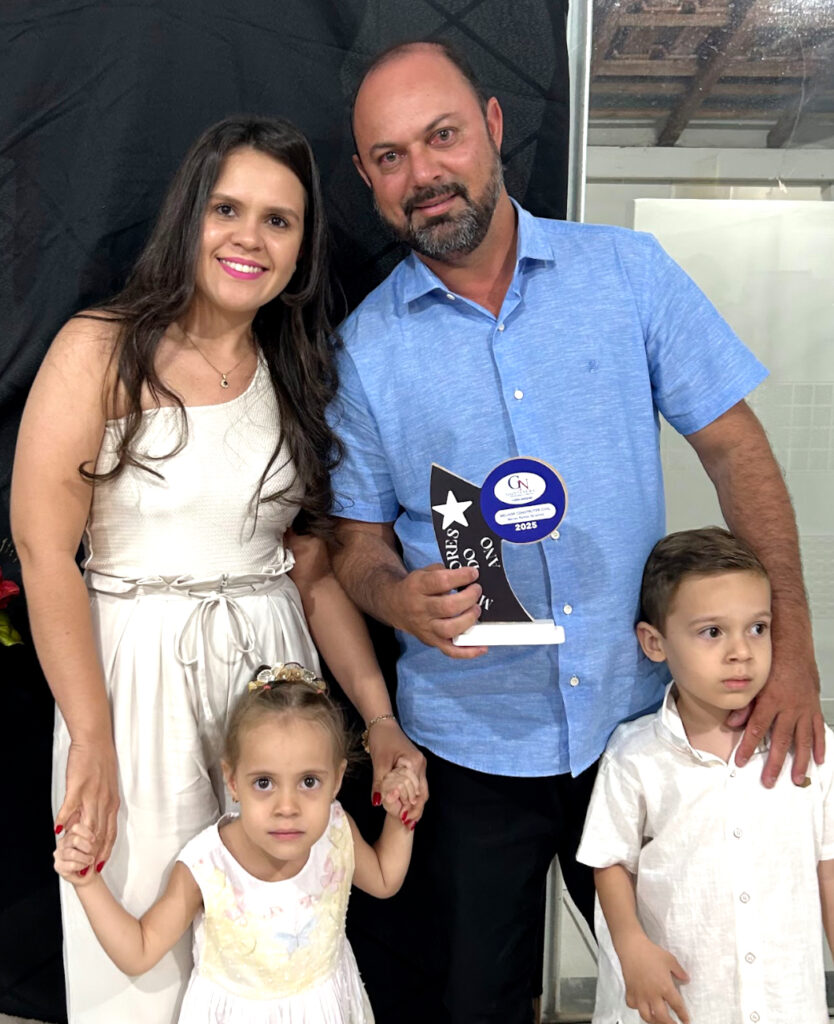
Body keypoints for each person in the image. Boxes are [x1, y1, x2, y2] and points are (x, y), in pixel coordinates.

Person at [327, 39, 823, 1024]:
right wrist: (395, 596)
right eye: (390, 156)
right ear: (367, 178)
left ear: (494, 126)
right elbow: (353, 544)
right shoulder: (364, 350)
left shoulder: (628, 274)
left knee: (691, 992)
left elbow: (738, 452)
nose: (423, 172)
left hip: (640, 724)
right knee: (477, 1005)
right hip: (468, 747)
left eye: (442, 135)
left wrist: (795, 652)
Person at [11, 115, 426, 1023]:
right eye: (228, 209)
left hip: (273, 682)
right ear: (189, 213)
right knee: (141, 945)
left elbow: (315, 574)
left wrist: (379, 719)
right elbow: (46, 555)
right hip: (133, 681)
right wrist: (92, 738)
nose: (250, 237)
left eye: (279, 220)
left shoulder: (300, 367)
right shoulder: (100, 347)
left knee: (276, 932)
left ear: (302, 246)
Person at [53, 664, 417, 1024]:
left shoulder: (336, 831)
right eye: (264, 783)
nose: (287, 807)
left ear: (336, 780)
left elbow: (384, 879)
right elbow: (140, 950)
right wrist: (87, 881)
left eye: (308, 781)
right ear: (232, 781)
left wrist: (401, 814)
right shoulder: (207, 866)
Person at [577, 528, 834, 1024]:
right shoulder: (636, 754)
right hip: (680, 1004)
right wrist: (631, 947)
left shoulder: (811, 746)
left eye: (757, 628)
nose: (741, 651)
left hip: (787, 1005)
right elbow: (609, 860)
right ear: (655, 642)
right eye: (712, 632)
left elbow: (829, 869)